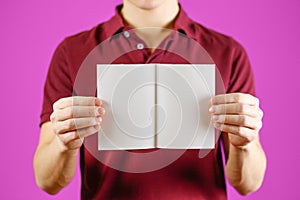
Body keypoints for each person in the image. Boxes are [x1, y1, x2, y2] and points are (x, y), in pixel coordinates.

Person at [33, 0, 267, 199]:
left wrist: (244, 143)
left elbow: (248, 184)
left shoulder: (228, 52)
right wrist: (64, 143)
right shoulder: (72, 51)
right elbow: (48, 181)